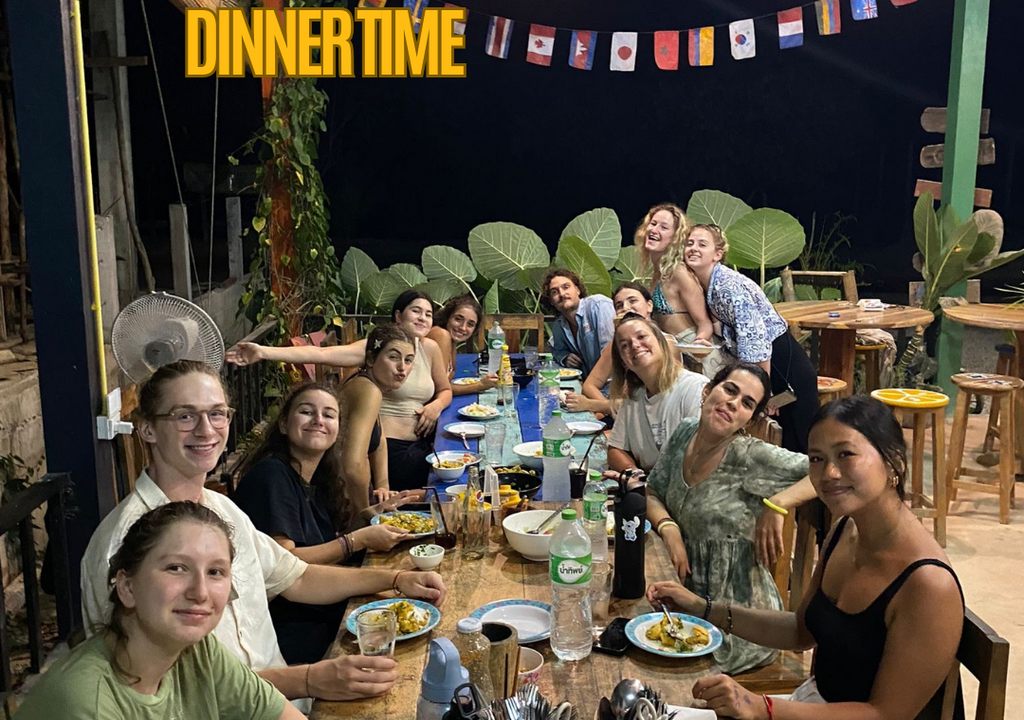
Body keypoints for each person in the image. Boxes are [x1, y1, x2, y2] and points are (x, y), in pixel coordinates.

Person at [81, 360, 446, 705]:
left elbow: (297, 577)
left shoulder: (222, 509)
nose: (206, 430)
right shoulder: (123, 544)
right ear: (147, 429)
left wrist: (397, 579)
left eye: (217, 413)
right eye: (185, 416)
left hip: (284, 701)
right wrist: (308, 679)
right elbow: (155, 692)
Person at [648, 395, 964, 720]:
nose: (829, 472)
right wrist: (702, 608)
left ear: (894, 461)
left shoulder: (929, 584)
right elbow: (801, 631)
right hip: (817, 704)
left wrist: (762, 707)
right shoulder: (845, 531)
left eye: (845, 454)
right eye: (816, 458)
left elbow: (885, 715)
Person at [19, 501, 303, 720]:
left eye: (215, 572)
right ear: (127, 587)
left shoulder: (200, 653)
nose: (200, 592)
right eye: (176, 568)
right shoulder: (86, 701)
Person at [645, 362, 815, 674]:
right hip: (682, 597)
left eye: (747, 403)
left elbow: (828, 469)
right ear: (708, 391)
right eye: (729, 390)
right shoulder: (686, 432)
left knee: (652, 671)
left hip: (737, 623)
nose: (733, 403)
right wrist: (669, 528)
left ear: (750, 419)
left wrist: (779, 503)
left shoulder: (750, 456)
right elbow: (652, 491)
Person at [233, 379, 414, 664]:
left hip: (321, 607)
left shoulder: (316, 478)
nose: (318, 420)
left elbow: (325, 542)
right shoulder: (271, 476)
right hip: (291, 630)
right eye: (307, 412)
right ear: (283, 424)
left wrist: (372, 514)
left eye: (329, 415)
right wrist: (357, 541)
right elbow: (286, 563)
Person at [227, 290, 453, 490]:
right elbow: (320, 354)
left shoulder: (428, 348)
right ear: (398, 315)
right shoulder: (375, 352)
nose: (422, 318)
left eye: (428, 314)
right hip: (395, 452)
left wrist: (435, 406)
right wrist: (264, 352)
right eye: (416, 311)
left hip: (416, 443)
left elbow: (445, 390)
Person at [684, 224, 818, 453]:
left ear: (717, 254)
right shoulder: (709, 286)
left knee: (803, 443)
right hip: (771, 364)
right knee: (786, 441)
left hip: (782, 364)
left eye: (702, 244)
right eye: (690, 243)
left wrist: (761, 392)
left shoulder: (727, 286)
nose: (694, 248)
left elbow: (756, 341)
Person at [606, 314, 708, 473]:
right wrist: (634, 475)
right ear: (623, 363)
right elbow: (615, 449)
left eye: (641, 336)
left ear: (661, 343)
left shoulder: (694, 388)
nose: (634, 345)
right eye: (624, 345)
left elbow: (699, 458)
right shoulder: (633, 396)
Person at [636, 203, 727, 378]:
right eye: (653, 224)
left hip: (700, 359)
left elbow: (704, 322)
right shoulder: (657, 273)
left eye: (664, 227)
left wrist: (699, 343)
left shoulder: (679, 273)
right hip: (675, 357)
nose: (654, 230)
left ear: (675, 238)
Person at [565, 282, 670, 417]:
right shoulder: (618, 345)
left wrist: (592, 404)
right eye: (619, 305)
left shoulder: (666, 344)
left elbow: (649, 404)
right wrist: (611, 411)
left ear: (649, 305)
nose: (625, 308)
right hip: (625, 414)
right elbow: (590, 385)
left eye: (633, 301)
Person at [542, 268, 615, 379]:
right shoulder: (559, 325)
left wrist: (591, 386)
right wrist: (565, 357)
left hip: (613, 383)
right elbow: (557, 351)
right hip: (589, 382)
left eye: (566, 287)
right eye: (554, 292)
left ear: (577, 290)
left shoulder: (598, 306)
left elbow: (610, 353)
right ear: (551, 301)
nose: (562, 294)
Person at [427, 294, 498, 396]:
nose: (463, 328)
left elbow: (450, 374)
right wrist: (480, 385)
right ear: (447, 317)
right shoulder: (441, 335)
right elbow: (438, 389)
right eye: (458, 319)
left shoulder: (451, 339)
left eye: (470, 324)